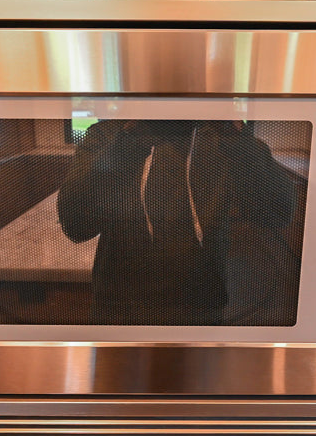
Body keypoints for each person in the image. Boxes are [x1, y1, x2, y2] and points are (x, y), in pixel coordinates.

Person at [57, 119, 297, 325]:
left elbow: (277, 213)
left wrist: (235, 137)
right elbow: (75, 224)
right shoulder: (109, 135)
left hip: (202, 308)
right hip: (119, 308)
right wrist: (132, 139)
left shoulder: (221, 136)